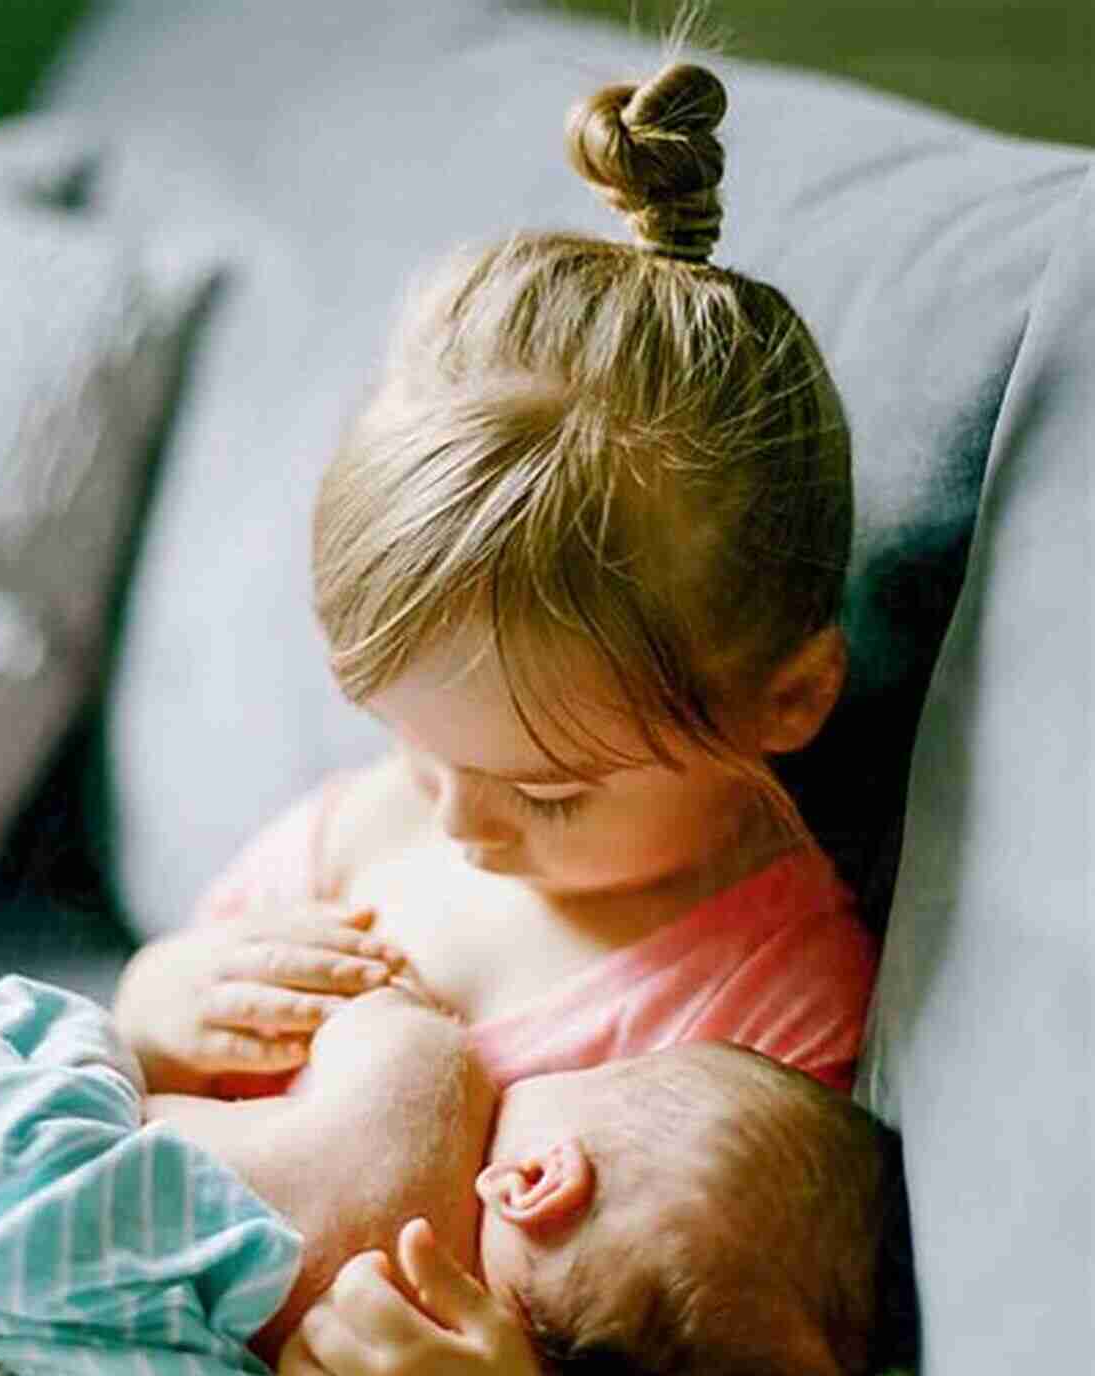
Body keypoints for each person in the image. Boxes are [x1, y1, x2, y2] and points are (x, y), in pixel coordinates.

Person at [113, 56, 875, 1110]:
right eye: (419, 749)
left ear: (786, 696)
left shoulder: (763, 1013)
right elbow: (152, 1084)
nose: (462, 826)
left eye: (547, 792)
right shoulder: (357, 839)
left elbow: (708, 1276)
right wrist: (153, 1012)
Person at [0, 962, 910, 1376]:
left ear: (537, 1180)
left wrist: (97, 1053)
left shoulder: (430, 1080)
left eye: (602, 1072)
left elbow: (378, 1015)